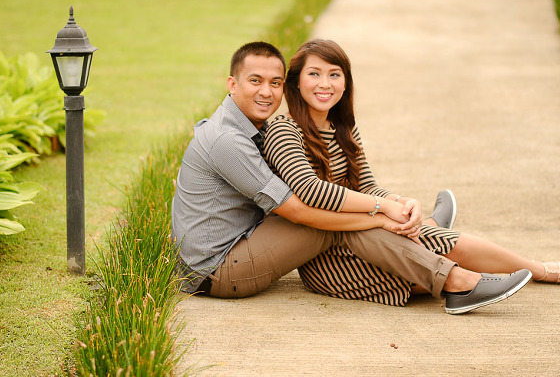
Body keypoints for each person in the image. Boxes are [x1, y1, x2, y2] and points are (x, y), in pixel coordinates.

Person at [171, 41, 536, 315]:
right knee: (336, 224)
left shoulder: (250, 125)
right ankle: (455, 282)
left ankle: (428, 234)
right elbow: (299, 209)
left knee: (354, 220)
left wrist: (392, 207)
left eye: (274, 82)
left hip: (240, 246)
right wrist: (379, 213)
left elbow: (352, 185)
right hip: (217, 271)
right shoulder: (229, 139)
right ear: (232, 83)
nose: (266, 92)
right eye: (255, 81)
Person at [262, 38, 560, 306]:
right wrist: (383, 209)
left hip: (367, 233)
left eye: (334, 74)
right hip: (326, 256)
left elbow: (366, 184)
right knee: (425, 255)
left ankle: (539, 270)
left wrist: (400, 202)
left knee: (433, 239)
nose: (325, 84)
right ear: (296, 82)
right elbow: (310, 190)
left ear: (346, 83)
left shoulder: (343, 127)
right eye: (314, 74)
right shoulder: (284, 130)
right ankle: (472, 266)